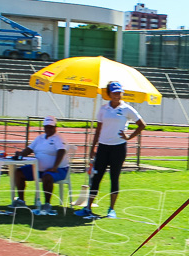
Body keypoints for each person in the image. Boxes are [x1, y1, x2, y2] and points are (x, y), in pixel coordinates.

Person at [75, 81, 146, 219]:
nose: (117, 95)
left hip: (118, 148)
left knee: (114, 178)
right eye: (114, 93)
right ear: (109, 94)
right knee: (96, 178)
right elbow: (98, 129)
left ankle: (111, 210)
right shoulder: (103, 109)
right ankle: (88, 207)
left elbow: (142, 125)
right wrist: (93, 147)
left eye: (119, 92)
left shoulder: (127, 109)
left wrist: (129, 136)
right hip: (103, 147)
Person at [12, 116, 70, 216]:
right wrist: (21, 154)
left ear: (55, 127)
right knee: (18, 172)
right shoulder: (39, 138)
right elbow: (29, 149)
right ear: (43, 127)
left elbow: (61, 151)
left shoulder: (59, 138)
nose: (49, 129)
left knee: (47, 177)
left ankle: (47, 204)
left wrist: (54, 167)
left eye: (51, 127)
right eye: (46, 127)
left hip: (58, 169)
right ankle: (21, 201)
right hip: (38, 168)